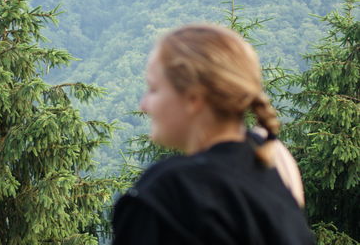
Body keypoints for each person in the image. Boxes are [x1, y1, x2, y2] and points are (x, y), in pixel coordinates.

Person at [112, 24, 315, 245]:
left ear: (193, 99)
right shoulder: (271, 161)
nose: (144, 105)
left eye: (154, 89)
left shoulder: (168, 193)